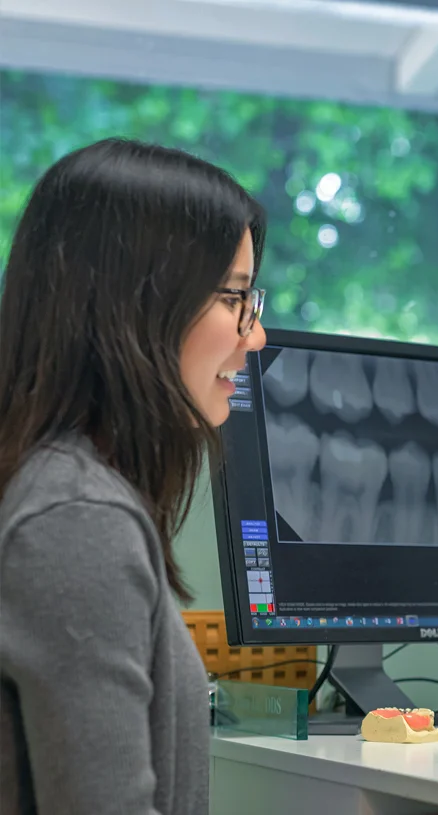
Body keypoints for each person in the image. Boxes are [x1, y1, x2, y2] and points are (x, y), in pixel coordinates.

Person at [0, 138, 268, 814]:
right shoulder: (77, 518)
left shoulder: (72, 494)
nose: (255, 334)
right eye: (235, 298)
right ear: (135, 306)